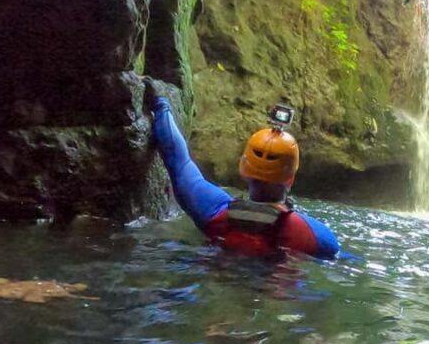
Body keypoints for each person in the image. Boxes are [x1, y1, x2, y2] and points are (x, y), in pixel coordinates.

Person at [144, 82, 339, 260]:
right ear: (291, 177)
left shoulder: (212, 211)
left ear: (243, 169)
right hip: (274, 294)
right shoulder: (316, 236)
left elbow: (178, 160)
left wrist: (161, 105)